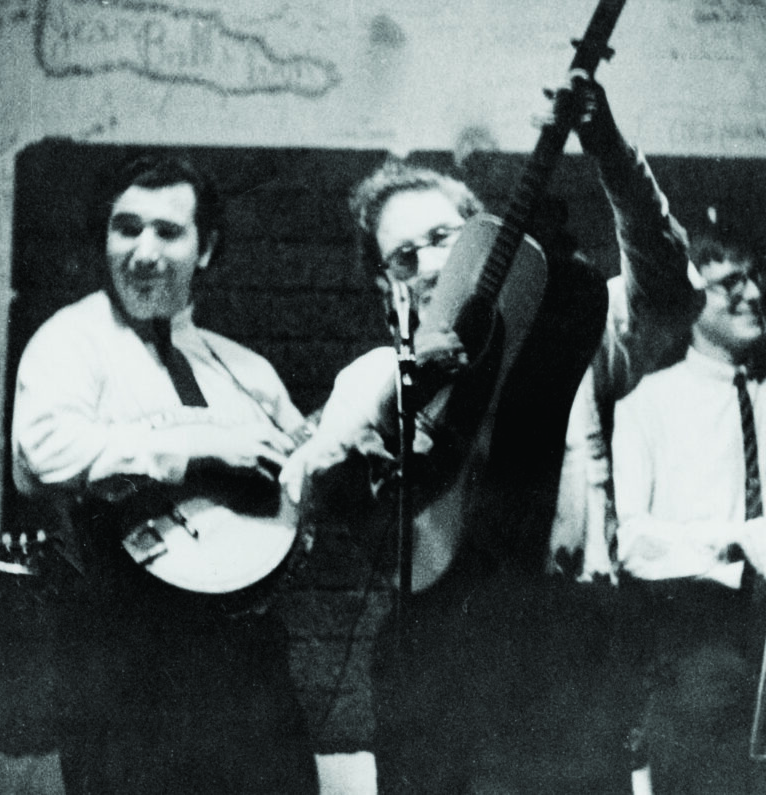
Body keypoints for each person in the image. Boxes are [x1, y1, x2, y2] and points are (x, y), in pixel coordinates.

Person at [279, 74, 690, 793]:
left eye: (445, 239)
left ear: (485, 245)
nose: (432, 263)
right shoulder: (377, 373)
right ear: (386, 289)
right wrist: (394, 407)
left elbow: (668, 290)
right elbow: (310, 477)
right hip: (435, 675)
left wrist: (612, 155)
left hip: (567, 660)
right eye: (404, 257)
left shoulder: (572, 339)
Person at [11, 155, 319, 794]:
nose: (143, 252)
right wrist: (196, 452)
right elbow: (46, 452)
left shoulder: (245, 369)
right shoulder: (72, 341)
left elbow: (306, 475)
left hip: (247, 658)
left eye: (168, 232)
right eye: (125, 228)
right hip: (128, 660)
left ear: (206, 249)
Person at [612, 225, 766, 793]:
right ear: (690, 302)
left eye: (754, 278)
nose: (751, 294)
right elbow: (629, 541)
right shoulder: (648, 404)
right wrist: (735, 539)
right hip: (700, 648)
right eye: (730, 283)